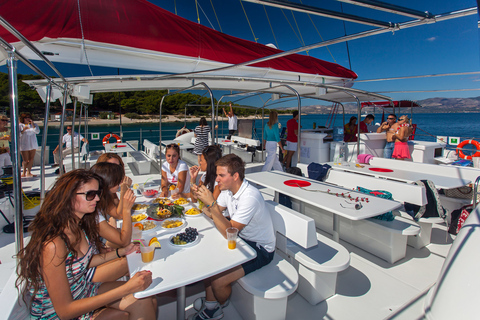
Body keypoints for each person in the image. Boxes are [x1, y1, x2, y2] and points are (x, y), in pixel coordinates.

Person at [16, 169, 156, 320]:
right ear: (69, 198)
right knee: (126, 310)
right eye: (90, 194)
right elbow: (65, 311)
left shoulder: (79, 226)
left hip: (82, 290)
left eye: (98, 193)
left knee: (145, 297)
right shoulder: (53, 245)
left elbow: (83, 262)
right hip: (57, 314)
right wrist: (127, 288)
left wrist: (120, 252)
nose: (96, 198)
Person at [190, 154, 276, 320]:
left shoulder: (249, 197)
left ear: (235, 176)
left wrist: (212, 204)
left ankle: (217, 307)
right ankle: (211, 304)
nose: (217, 180)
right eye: (217, 175)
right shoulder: (227, 190)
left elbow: (230, 232)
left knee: (218, 282)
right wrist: (204, 201)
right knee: (208, 263)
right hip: (243, 240)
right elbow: (212, 214)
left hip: (260, 249)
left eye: (221, 175)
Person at [90, 162, 135, 248]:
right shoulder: (94, 213)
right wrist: (126, 209)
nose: (121, 182)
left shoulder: (104, 197)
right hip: (98, 249)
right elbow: (123, 241)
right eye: (118, 180)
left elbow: (118, 215)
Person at [19, 113, 40, 177]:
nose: (27, 119)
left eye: (29, 117)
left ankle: (29, 172)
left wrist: (33, 125)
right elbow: (18, 134)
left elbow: (37, 131)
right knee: (25, 160)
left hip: (32, 144)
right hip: (24, 144)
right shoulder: (20, 125)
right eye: (26, 117)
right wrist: (23, 130)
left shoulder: (34, 125)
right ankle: (24, 172)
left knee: (31, 159)